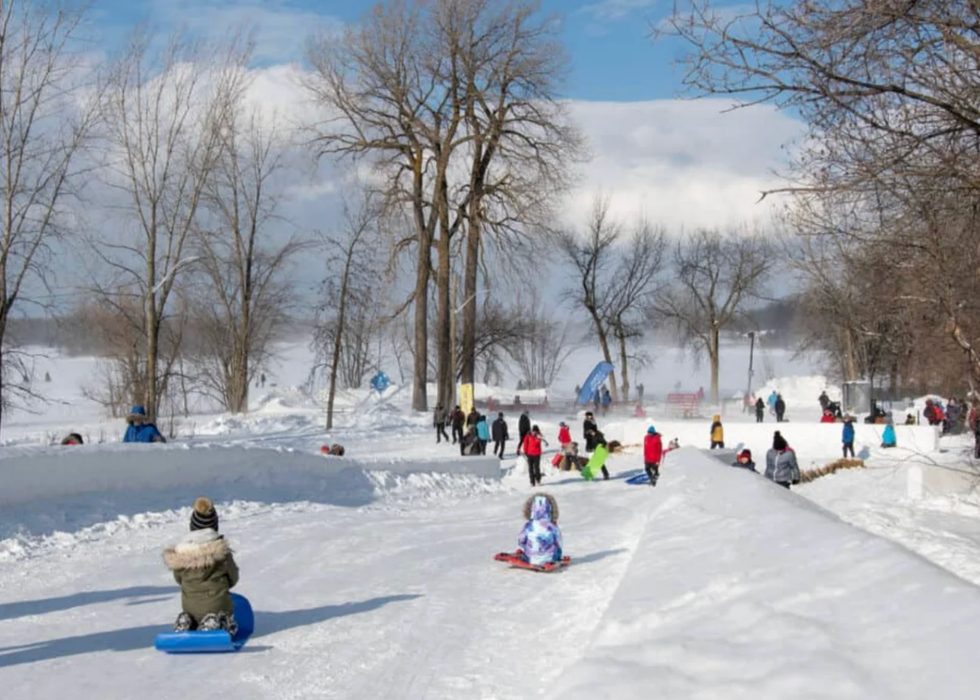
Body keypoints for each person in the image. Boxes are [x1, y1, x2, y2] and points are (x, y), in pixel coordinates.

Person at [164, 497, 239, 634]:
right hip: (217, 604)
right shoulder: (221, 552)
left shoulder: (181, 553)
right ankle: (218, 621)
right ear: (214, 527)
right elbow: (233, 578)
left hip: (189, 606)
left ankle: (187, 619)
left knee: (191, 608)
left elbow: (178, 579)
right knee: (224, 611)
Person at [516, 493, 563, 567]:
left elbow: (521, 539)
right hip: (550, 558)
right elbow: (559, 542)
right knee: (556, 548)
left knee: (530, 545)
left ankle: (529, 555)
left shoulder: (529, 525)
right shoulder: (552, 527)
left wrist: (522, 547)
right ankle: (553, 558)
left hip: (531, 558)